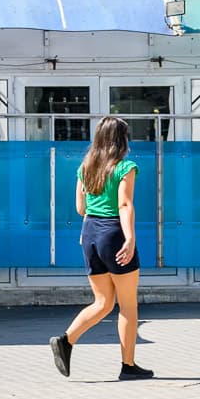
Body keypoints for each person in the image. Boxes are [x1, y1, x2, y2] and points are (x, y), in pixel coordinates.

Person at [49, 115, 153, 381]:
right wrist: (129, 238)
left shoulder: (85, 167)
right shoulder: (125, 167)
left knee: (103, 302)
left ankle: (66, 340)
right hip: (113, 233)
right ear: (122, 140)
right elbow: (124, 204)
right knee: (127, 306)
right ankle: (128, 366)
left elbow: (80, 208)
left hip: (90, 234)